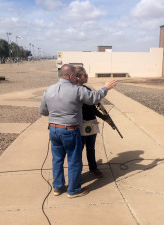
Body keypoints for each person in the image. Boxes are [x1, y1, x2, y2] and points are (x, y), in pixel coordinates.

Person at [39, 64, 117, 198]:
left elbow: (43, 111)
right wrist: (106, 87)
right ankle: (73, 190)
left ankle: (57, 188)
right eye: (75, 75)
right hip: (70, 130)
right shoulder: (77, 90)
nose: (76, 78)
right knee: (74, 160)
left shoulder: (49, 90)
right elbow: (94, 97)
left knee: (57, 159)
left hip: (53, 130)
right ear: (70, 76)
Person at [76, 66, 111, 178]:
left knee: (91, 148)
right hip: (80, 124)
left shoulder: (87, 89)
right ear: (77, 77)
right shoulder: (74, 91)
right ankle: (76, 174)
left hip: (91, 123)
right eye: (85, 75)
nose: (87, 77)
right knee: (78, 150)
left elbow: (93, 107)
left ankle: (93, 168)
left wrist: (104, 117)